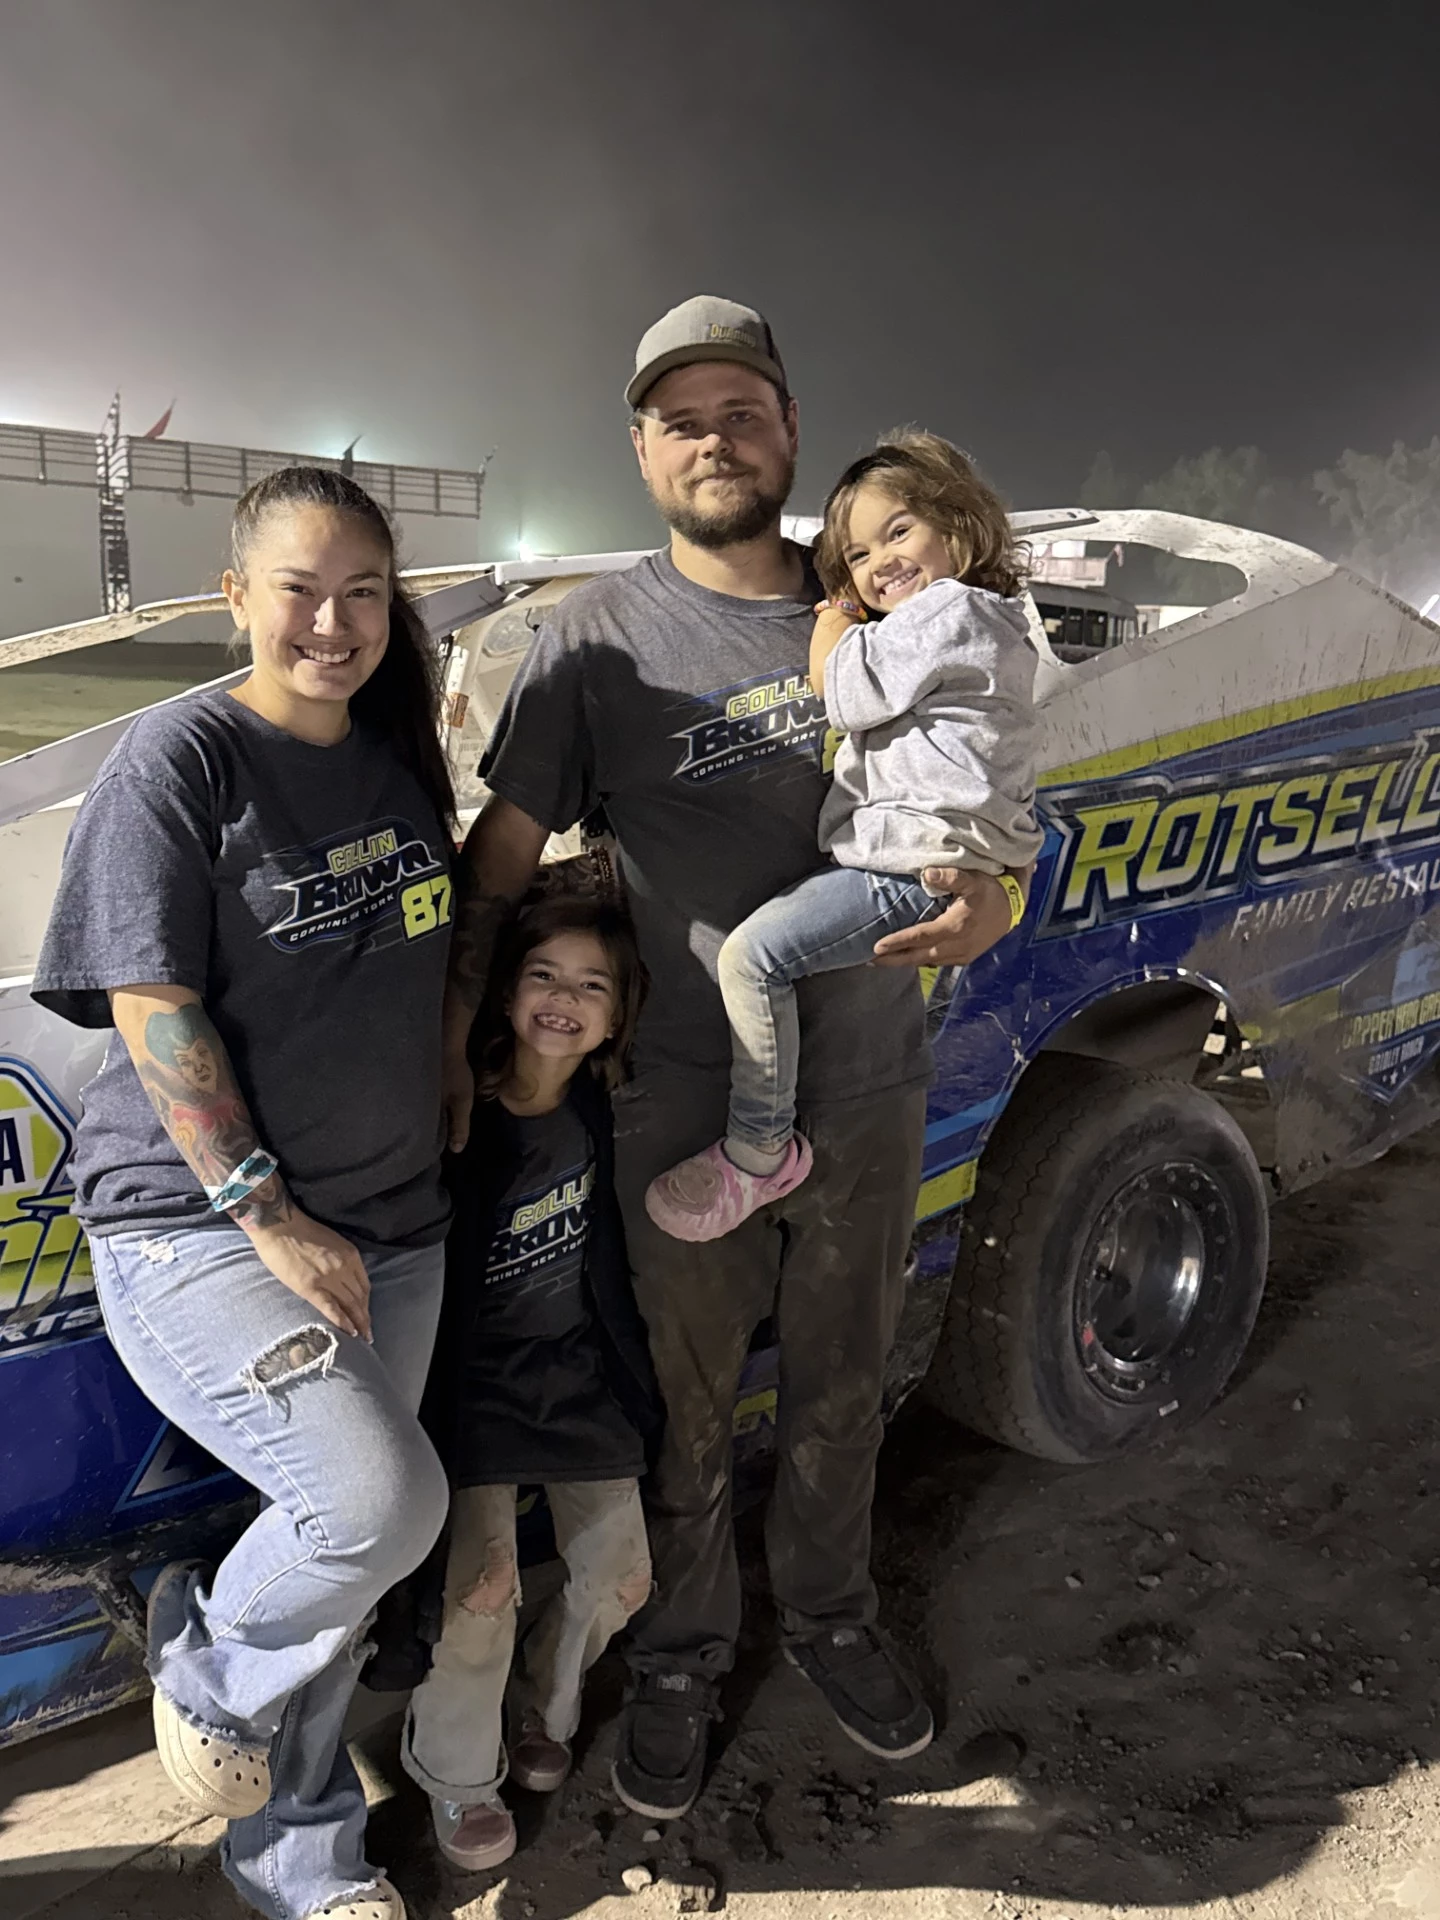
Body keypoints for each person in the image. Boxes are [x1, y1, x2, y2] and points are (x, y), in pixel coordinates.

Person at [439, 296, 1032, 1822]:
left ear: (790, 429)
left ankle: (831, 1611)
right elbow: (504, 849)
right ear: (642, 449)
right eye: (681, 419)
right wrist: (453, 1035)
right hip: (681, 1099)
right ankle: (686, 1653)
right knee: (689, 1404)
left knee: (843, 1382)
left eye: (743, 412)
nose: (715, 440)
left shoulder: (886, 595)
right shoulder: (596, 639)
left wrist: (1008, 889)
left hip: (868, 1077)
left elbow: (996, 766)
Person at [32, 467, 458, 1920]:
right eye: (300, 589)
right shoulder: (181, 757)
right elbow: (152, 1006)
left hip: (398, 1222)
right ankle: (205, 1667)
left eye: (364, 594)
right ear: (235, 595)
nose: (334, 624)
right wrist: (268, 1214)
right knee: (374, 1506)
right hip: (204, 1226)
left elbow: (421, 951)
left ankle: (300, 1857)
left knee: (348, 1576)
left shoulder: (396, 755)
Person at [645, 429, 1042, 1240]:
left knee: (752, 958)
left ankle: (759, 1148)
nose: (881, 562)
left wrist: (833, 619)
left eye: (899, 531)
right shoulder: (990, 622)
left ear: (958, 525)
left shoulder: (948, 609)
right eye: (857, 556)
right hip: (935, 864)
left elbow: (848, 693)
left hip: (910, 866)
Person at [395, 887, 661, 1873]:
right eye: (544, 975)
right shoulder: (456, 1114)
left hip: (575, 1374)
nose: (564, 999)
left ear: (618, 1016)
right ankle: (457, 1771)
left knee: (622, 1577)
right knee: (481, 1590)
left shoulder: (604, 1110)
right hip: (470, 1386)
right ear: (506, 991)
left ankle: (542, 1703)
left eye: (592, 986)